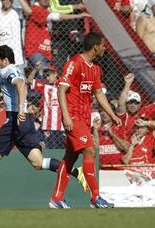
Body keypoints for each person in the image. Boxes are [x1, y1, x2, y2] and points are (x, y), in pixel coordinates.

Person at [0, 45, 64, 210]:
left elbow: (21, 85)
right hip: (23, 121)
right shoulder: (4, 72)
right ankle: (75, 171)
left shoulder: (9, 70)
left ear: (5, 60)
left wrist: (22, 110)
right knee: (38, 163)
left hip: (15, 119)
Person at [50, 32, 122, 209]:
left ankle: (57, 199)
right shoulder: (74, 64)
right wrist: (66, 116)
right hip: (73, 117)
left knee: (70, 158)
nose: (105, 48)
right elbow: (61, 90)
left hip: (85, 119)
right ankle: (95, 198)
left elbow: (98, 93)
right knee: (90, 151)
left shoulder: (96, 68)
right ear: (96, 46)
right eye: (103, 45)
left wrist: (112, 115)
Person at [25, 0, 90, 72]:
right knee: (44, 79)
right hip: (36, 53)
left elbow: (59, 11)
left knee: (44, 81)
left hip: (46, 53)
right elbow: (56, 17)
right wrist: (78, 16)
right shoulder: (35, 9)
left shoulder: (46, 10)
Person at [0, 0, 32, 73]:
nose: (8, 0)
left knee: (20, 85)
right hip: (1, 58)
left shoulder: (17, 12)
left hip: (17, 58)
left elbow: (29, 11)